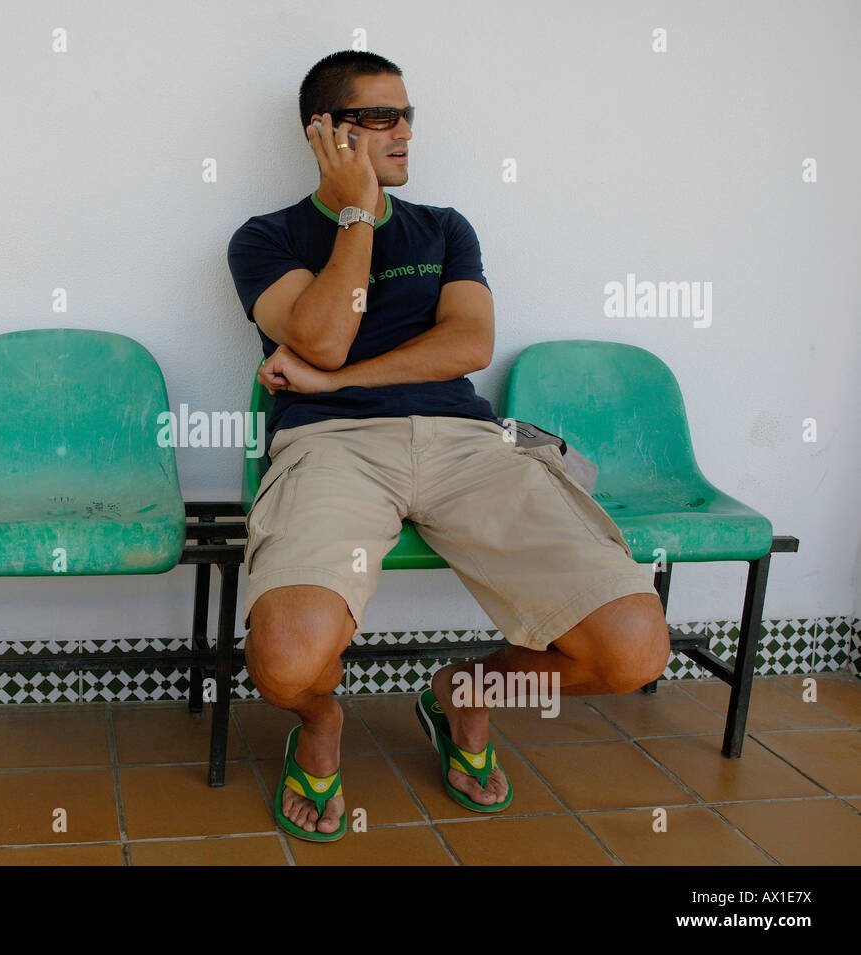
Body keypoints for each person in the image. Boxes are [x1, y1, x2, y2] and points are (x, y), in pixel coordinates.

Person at [226, 51, 669, 841]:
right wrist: (358, 216)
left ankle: (470, 692)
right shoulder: (265, 238)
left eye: (408, 115)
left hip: (468, 443)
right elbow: (322, 336)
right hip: (333, 447)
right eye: (380, 118)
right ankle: (324, 722)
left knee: (634, 651)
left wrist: (336, 378)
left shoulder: (445, 228)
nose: (404, 132)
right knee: (285, 663)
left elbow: (468, 344)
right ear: (324, 133)